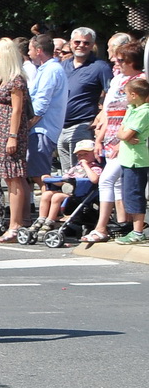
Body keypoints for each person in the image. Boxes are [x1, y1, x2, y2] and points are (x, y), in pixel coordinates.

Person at [87, 41, 143, 242]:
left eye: (121, 60)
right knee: (117, 182)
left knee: (106, 179)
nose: (117, 63)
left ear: (132, 61)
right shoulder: (119, 80)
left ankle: (101, 227)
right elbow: (108, 111)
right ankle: (122, 223)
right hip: (111, 133)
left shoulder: (140, 81)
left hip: (126, 138)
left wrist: (121, 143)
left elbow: (136, 114)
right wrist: (100, 138)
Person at [0, 37, 35, 243]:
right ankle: (18, 221)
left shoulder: (16, 79)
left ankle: (15, 225)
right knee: (11, 177)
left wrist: (12, 136)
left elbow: (17, 110)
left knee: (14, 177)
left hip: (10, 132)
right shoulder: (4, 78)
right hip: (1, 130)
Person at [61, 27, 111, 171]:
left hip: (83, 125)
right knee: (66, 173)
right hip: (61, 127)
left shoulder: (100, 67)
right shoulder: (63, 65)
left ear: (92, 45)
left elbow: (111, 94)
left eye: (86, 43)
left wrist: (101, 115)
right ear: (71, 43)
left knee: (81, 171)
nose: (81, 45)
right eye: (77, 42)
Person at [25, 33, 67, 182]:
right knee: (34, 173)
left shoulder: (51, 70)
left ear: (38, 50)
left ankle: (55, 200)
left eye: (30, 50)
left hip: (42, 129)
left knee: (40, 175)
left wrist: (26, 125)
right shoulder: (45, 69)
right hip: (40, 128)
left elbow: (41, 104)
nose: (28, 54)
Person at [114, 76, 149, 245]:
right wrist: (123, 135)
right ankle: (136, 229)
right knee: (129, 195)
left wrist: (124, 135)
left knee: (135, 195)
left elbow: (125, 134)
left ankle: (138, 231)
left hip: (137, 160)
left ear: (134, 94)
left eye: (126, 93)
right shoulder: (132, 108)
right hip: (127, 159)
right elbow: (121, 132)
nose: (125, 96)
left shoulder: (144, 112)